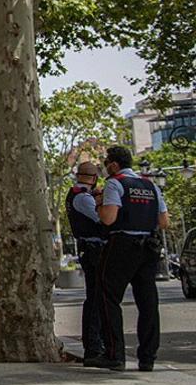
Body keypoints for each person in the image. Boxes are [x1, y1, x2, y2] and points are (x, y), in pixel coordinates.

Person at [95, 146, 169, 372]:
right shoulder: (150, 185)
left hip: (122, 245)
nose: (105, 167)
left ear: (114, 165)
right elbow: (164, 221)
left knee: (107, 296)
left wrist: (99, 203)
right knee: (148, 302)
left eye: (106, 162)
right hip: (148, 247)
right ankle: (148, 357)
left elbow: (109, 218)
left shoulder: (114, 184)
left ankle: (115, 354)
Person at [66, 161, 107, 365]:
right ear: (93, 177)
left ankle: (95, 343)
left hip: (89, 248)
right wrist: (102, 202)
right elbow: (101, 219)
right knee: (96, 296)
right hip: (93, 249)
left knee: (96, 295)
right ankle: (93, 345)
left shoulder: (78, 194)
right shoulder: (83, 197)